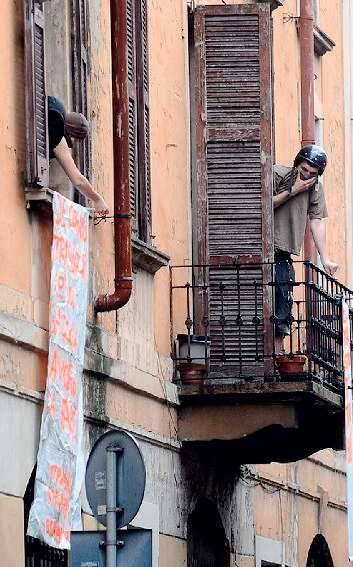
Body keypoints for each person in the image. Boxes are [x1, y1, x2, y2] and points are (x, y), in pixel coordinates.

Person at [273, 144, 338, 352]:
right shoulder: (277, 173)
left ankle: (276, 355)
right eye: (304, 169)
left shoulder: (315, 188)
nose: (307, 175)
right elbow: (262, 204)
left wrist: (325, 258)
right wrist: (293, 191)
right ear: (297, 164)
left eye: (313, 173)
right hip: (261, 249)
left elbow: (316, 221)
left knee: (283, 304)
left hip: (283, 252)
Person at [48, 96, 109, 214]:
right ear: (72, 135)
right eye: (76, 140)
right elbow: (78, 180)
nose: (74, 144)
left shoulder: (57, 106)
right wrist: (97, 199)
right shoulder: (57, 135)